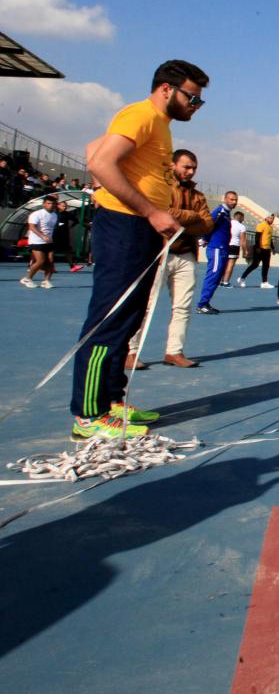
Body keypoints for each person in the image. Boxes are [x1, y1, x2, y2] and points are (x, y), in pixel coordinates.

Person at [69, 59, 209, 440]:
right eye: (192, 99)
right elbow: (101, 161)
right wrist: (150, 211)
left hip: (140, 227)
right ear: (167, 89)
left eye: (199, 102)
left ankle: (111, 401)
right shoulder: (141, 115)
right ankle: (87, 415)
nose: (195, 107)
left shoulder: (158, 125)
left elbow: (93, 149)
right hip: (127, 226)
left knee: (130, 317)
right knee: (110, 318)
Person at [128, 149, 214, 368]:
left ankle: (174, 352)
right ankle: (131, 351)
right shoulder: (161, 189)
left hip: (186, 254)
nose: (191, 171)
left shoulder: (198, 196)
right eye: (186, 167)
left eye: (194, 168)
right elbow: (162, 212)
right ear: (173, 165)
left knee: (182, 306)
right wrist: (191, 217)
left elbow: (207, 224)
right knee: (145, 304)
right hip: (160, 252)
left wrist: (178, 218)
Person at [197, 189, 238, 314]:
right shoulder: (219, 211)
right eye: (231, 199)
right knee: (213, 276)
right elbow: (209, 224)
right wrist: (204, 239)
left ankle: (206, 303)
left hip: (223, 249)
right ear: (225, 199)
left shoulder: (226, 214)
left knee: (217, 276)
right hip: (216, 249)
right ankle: (202, 304)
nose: (234, 202)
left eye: (236, 200)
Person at [21, 194, 59, 288]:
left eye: (53, 204)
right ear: (44, 204)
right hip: (36, 241)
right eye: (49, 203)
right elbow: (32, 227)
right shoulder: (36, 214)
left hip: (49, 242)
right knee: (40, 261)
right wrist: (42, 236)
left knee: (51, 261)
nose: (51, 205)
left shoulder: (55, 215)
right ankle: (27, 279)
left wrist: (49, 238)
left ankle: (46, 281)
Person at [237, 213, 274, 287]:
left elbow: (269, 238)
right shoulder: (261, 225)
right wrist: (258, 247)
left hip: (267, 249)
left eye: (273, 218)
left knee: (266, 266)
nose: (272, 220)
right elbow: (257, 237)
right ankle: (242, 278)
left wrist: (272, 247)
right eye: (270, 218)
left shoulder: (270, 227)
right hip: (259, 249)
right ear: (266, 218)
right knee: (254, 265)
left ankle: (264, 282)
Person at [222, 210, 247, 284]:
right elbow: (243, 240)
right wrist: (245, 251)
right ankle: (226, 282)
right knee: (230, 264)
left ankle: (220, 280)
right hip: (234, 246)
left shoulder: (228, 223)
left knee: (223, 264)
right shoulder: (241, 226)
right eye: (243, 218)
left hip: (225, 244)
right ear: (241, 217)